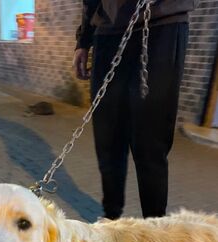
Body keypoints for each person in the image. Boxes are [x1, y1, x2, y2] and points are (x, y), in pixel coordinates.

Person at [73, 1, 196, 220]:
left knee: (150, 144)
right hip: (107, 29)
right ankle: (110, 223)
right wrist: (83, 40)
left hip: (161, 23)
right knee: (107, 141)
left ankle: (154, 231)